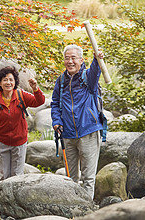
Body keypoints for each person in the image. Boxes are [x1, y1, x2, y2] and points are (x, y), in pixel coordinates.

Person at [51, 44, 105, 200]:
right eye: (67, 58)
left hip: (88, 130)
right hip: (67, 134)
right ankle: (74, 208)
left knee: (88, 178)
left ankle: (87, 211)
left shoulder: (88, 78)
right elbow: (55, 103)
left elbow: (95, 71)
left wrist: (96, 59)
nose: (70, 61)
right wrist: (56, 121)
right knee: (71, 179)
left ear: (81, 60)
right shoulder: (61, 81)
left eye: (73, 58)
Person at [0, 66, 45, 180]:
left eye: (11, 79)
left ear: (15, 82)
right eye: (5, 80)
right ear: (0, 82)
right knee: (4, 175)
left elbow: (39, 101)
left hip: (19, 142)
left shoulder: (21, 95)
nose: (8, 82)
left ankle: (15, 198)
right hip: (2, 142)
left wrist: (35, 89)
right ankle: (3, 198)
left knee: (17, 176)